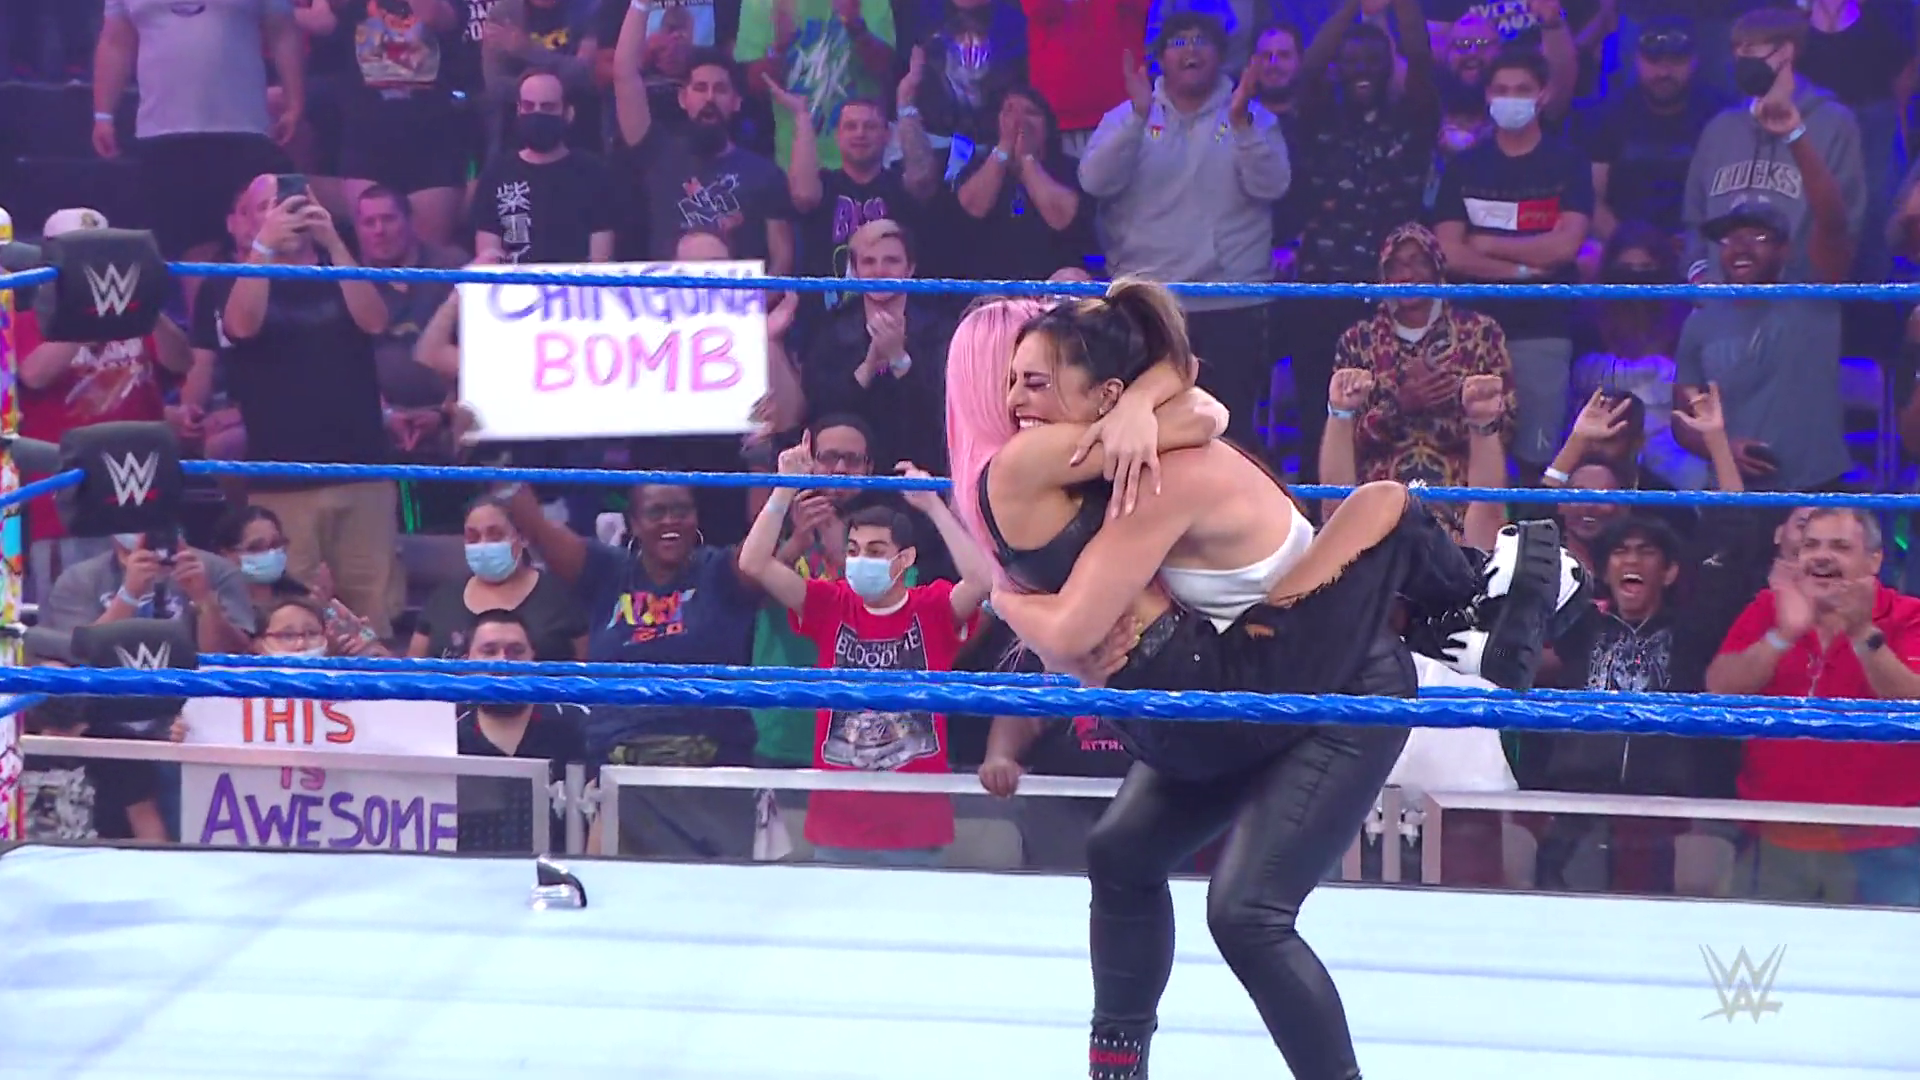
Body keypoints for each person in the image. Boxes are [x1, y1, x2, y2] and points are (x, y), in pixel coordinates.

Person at [943, 279, 1581, 1080]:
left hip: (1308, 682)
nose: (1016, 400)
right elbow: (1194, 400)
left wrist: (1008, 596)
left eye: (1034, 380)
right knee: (1126, 856)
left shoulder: (1143, 473)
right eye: (1010, 380)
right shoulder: (1104, 465)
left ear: (1100, 392)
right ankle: (1478, 607)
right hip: (1229, 681)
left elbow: (1194, 411)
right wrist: (1138, 405)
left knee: (1243, 910)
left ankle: (1486, 606)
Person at [409, 496, 586, 662]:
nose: (483, 544)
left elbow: (584, 670)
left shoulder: (557, 598)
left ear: (522, 537)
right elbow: (414, 671)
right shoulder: (444, 599)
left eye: (495, 535)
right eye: (473, 537)